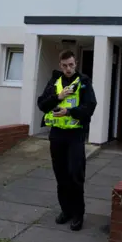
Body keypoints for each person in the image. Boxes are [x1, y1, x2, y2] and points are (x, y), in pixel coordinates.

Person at [37, 49, 97, 231]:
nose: (68, 68)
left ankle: (78, 214)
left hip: (75, 135)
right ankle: (66, 211)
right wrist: (58, 97)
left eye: (71, 65)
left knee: (75, 175)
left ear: (76, 63)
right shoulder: (55, 81)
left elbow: (90, 106)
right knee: (61, 175)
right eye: (65, 66)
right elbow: (41, 104)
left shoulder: (84, 82)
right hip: (57, 135)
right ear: (60, 65)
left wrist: (69, 111)